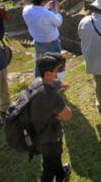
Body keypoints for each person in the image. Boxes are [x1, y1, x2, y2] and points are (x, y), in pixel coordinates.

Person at [30, 53, 73, 182]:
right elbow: (68, 115)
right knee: (48, 165)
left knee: (55, 155)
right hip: (49, 137)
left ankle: (60, 173)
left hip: (37, 132)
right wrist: (58, 102)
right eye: (58, 70)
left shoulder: (36, 84)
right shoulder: (51, 96)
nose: (61, 72)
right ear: (48, 73)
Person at [22, 0, 63, 78]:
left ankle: (38, 81)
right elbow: (59, 22)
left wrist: (44, 7)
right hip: (52, 43)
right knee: (56, 63)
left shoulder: (26, 10)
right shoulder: (47, 14)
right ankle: (56, 83)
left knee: (39, 63)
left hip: (38, 42)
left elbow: (37, 13)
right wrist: (58, 12)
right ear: (43, 2)